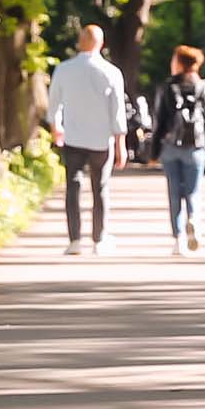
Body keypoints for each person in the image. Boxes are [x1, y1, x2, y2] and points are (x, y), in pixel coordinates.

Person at [46, 24, 128, 255]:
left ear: (79, 42)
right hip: (101, 140)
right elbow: (118, 111)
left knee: (72, 187)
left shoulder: (64, 69)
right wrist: (120, 143)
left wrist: (56, 128)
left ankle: (74, 241)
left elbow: (54, 104)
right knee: (100, 187)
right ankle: (99, 239)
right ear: (101, 44)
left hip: (72, 138)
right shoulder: (111, 72)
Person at [155, 45, 205, 253]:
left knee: (174, 192)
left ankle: (178, 240)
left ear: (180, 63)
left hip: (171, 146)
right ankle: (193, 220)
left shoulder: (167, 87)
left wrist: (154, 150)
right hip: (196, 147)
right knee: (193, 191)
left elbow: (160, 121)